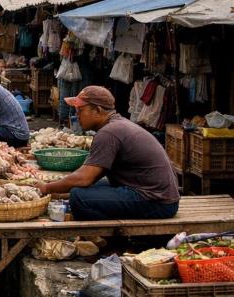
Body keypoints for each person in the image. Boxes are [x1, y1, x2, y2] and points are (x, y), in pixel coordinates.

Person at [36, 86, 180, 221]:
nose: (76, 115)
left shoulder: (109, 132)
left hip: (158, 202)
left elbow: (83, 179)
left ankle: (108, 235)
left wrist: (47, 188)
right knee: (84, 188)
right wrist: (59, 189)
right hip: (159, 196)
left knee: (78, 197)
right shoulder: (116, 125)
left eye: (80, 110)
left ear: (98, 111)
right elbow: (92, 176)